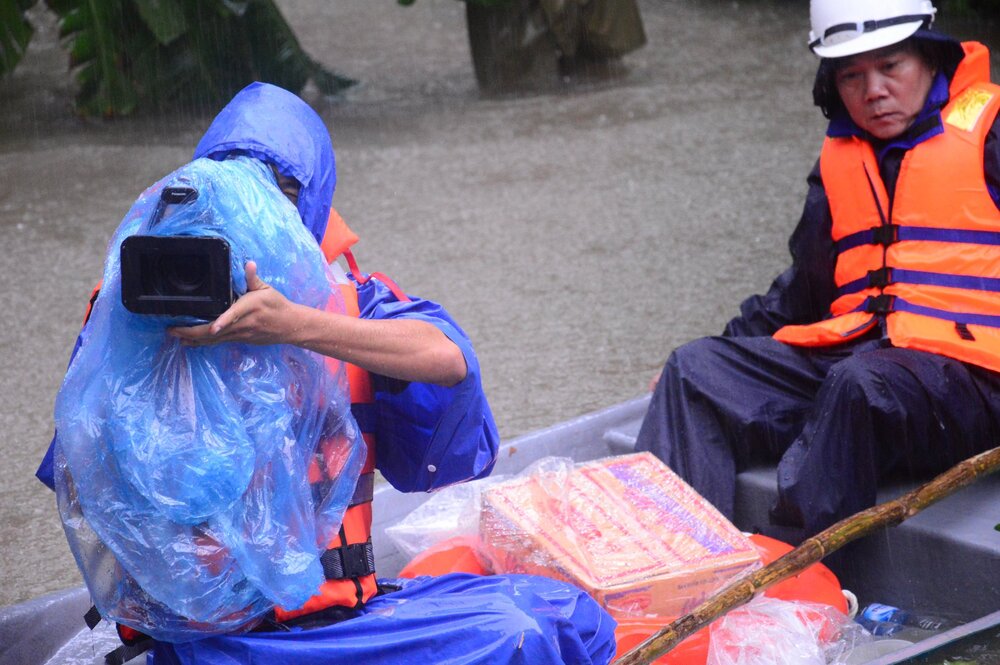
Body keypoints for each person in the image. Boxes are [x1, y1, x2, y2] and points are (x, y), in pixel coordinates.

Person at [37, 82, 616, 664]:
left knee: (564, 619)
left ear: (314, 208)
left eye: (285, 193)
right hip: (210, 643)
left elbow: (448, 359)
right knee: (523, 640)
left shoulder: (348, 304)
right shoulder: (132, 313)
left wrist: (294, 325)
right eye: (245, 186)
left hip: (341, 621)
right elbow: (88, 490)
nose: (263, 212)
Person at [636, 0, 1000, 540]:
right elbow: (800, 292)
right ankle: (668, 556)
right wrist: (729, 347)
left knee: (858, 383)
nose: (873, 90)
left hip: (970, 387)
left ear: (929, 58)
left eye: (890, 67)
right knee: (696, 370)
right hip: (861, 364)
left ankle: (786, 566)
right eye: (852, 75)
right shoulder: (839, 162)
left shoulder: (991, 138)